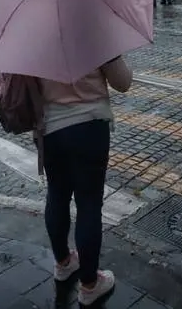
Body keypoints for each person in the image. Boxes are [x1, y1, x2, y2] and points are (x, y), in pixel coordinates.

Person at [40, 56, 132, 305]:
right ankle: (90, 285)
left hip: (49, 130)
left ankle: (63, 263)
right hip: (88, 127)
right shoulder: (94, 26)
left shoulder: (31, 30)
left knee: (56, 195)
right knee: (89, 204)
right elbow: (123, 82)